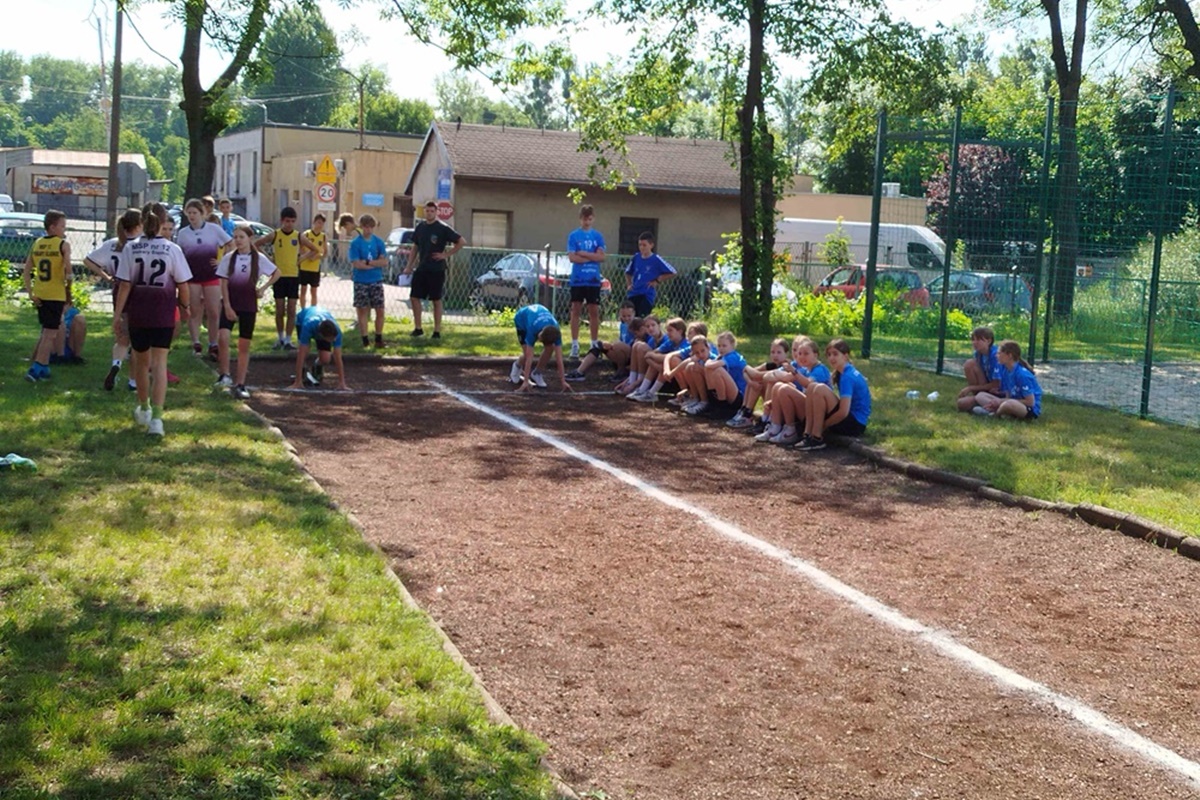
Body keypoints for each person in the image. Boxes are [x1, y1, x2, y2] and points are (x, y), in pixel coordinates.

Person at [113, 204, 192, 437]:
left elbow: (125, 284)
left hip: (139, 313)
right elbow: (183, 284)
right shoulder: (171, 248)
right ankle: (157, 419)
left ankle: (145, 407)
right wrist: (185, 308)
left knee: (140, 362)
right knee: (160, 364)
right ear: (161, 224)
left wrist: (117, 315)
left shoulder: (131, 247)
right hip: (163, 313)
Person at [216, 225, 280, 399]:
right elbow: (223, 283)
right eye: (235, 237)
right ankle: (224, 374)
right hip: (231, 303)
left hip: (248, 305)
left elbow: (276, 273)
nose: (237, 240)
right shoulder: (229, 258)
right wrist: (227, 306)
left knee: (243, 345)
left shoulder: (258, 258)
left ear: (249, 239)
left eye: (241, 237)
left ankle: (241, 383)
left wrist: (263, 288)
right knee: (223, 337)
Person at [83, 208, 143, 390]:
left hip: (118, 289)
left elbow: (88, 260)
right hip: (138, 290)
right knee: (138, 338)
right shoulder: (140, 245)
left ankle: (116, 364)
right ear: (140, 225)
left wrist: (105, 275)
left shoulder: (112, 244)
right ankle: (133, 380)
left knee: (122, 336)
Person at [177, 197, 232, 361]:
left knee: (214, 311)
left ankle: (213, 343)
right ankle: (196, 342)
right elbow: (179, 254)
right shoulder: (183, 233)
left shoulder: (214, 229)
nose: (192, 216)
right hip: (192, 277)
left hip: (211, 275)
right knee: (195, 310)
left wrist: (223, 261)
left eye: (195, 213)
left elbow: (230, 244)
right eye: (189, 213)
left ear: (203, 214)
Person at [22, 210, 72, 382]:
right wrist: (69, 289)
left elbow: (26, 271)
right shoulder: (62, 244)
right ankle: (36, 367)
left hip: (40, 293)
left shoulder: (37, 243)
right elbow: (68, 272)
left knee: (49, 329)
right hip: (55, 294)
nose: (64, 230)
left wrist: (30, 292)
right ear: (53, 227)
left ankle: (44, 367)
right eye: (62, 226)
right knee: (50, 333)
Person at [755, 336, 833, 445]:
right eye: (799, 353)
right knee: (778, 386)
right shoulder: (806, 369)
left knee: (784, 388)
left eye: (806, 354)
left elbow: (809, 385)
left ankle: (791, 430)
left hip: (817, 414)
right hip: (808, 409)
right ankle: (775, 426)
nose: (801, 357)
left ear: (815, 355)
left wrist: (794, 372)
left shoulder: (819, 369)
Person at [258, 206, 316, 350]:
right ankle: (280, 338)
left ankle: (289, 340)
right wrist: (269, 258)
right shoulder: (275, 235)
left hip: (293, 275)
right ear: (281, 221)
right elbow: (256, 244)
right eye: (286, 221)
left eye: (292, 221)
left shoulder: (298, 236)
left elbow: (314, 249)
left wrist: (300, 259)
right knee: (279, 309)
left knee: (291, 309)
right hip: (278, 275)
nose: (289, 224)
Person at [797, 338, 871, 451]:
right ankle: (808, 433)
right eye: (829, 355)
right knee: (812, 386)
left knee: (820, 388)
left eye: (835, 354)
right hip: (852, 420)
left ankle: (816, 436)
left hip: (855, 425)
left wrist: (825, 425)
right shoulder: (844, 372)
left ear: (845, 356)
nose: (831, 358)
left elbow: (843, 412)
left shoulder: (847, 376)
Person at [405, 200, 465, 339]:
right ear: (424, 211)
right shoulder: (420, 227)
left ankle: (436, 331)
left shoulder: (443, 228)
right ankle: (418, 328)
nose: (429, 213)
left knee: (436, 300)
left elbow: (461, 241)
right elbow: (415, 247)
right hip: (422, 267)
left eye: (432, 211)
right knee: (414, 297)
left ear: (436, 212)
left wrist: (446, 254)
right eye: (427, 210)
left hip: (437, 269)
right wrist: (409, 265)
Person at [566, 204, 606, 359]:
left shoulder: (598, 236)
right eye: (584, 219)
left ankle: (594, 343)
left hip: (593, 279)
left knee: (593, 311)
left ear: (593, 219)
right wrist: (591, 255)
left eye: (589, 219)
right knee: (575, 310)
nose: (587, 222)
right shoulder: (574, 236)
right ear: (580, 219)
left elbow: (601, 257)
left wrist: (583, 253)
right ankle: (575, 344)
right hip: (578, 279)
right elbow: (572, 257)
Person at [972, 340, 1043, 420]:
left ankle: (994, 414)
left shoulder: (1022, 374)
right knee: (980, 395)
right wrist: (1000, 396)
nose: (996, 355)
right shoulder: (1005, 370)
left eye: (999, 353)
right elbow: (1009, 393)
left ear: (1009, 355)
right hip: (1010, 401)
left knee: (1008, 404)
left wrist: (1001, 401)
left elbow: (1030, 402)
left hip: (1027, 408)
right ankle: (1004, 413)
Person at [727, 337, 789, 429]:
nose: (775, 355)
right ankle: (744, 410)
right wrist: (750, 381)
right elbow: (745, 373)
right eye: (773, 352)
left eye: (779, 352)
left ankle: (748, 414)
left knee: (758, 380)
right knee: (754, 381)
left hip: (781, 405)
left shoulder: (786, 367)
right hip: (769, 401)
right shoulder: (771, 365)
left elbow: (756, 374)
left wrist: (747, 367)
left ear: (786, 354)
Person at [565, 301, 637, 381]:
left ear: (634, 314)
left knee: (617, 345)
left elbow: (639, 341)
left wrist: (616, 344)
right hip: (623, 352)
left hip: (632, 355)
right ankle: (579, 371)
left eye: (629, 316)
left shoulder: (637, 324)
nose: (626, 318)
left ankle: (622, 371)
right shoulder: (622, 325)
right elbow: (621, 339)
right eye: (624, 316)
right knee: (599, 345)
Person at [509, 303, 570, 392]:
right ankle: (517, 366)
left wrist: (563, 381)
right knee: (526, 354)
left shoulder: (556, 332)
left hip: (537, 316)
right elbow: (530, 357)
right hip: (522, 320)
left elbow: (559, 359)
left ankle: (537, 373)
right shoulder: (532, 329)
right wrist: (525, 382)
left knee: (550, 349)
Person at [349, 213, 389, 347]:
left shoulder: (379, 242)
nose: (369, 230)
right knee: (363, 311)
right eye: (366, 227)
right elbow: (357, 264)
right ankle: (365, 340)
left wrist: (367, 262)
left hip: (376, 280)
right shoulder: (356, 243)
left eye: (371, 227)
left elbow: (384, 262)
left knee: (380, 310)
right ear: (361, 227)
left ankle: (378, 338)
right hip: (361, 281)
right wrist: (374, 263)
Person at [289, 305, 350, 391]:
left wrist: (342, 382)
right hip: (302, 320)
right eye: (331, 340)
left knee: (325, 359)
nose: (334, 340)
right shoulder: (307, 326)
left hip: (321, 325)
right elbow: (301, 354)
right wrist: (297, 382)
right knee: (305, 352)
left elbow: (338, 357)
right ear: (322, 336)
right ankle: (301, 374)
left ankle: (316, 366)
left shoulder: (336, 332)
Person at [624, 231, 675, 317]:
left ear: (651, 245)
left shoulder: (656, 259)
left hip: (646, 294)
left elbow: (672, 272)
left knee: (642, 318)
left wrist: (657, 280)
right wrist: (629, 284)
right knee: (630, 317)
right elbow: (628, 272)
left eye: (644, 245)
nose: (642, 247)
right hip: (634, 293)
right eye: (640, 245)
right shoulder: (636, 257)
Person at [957, 326, 1003, 412]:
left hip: (1000, 392)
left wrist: (970, 388)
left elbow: (996, 385)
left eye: (978, 340)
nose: (974, 343)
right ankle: (980, 400)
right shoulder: (978, 354)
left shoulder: (995, 356)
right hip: (987, 391)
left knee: (963, 403)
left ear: (989, 341)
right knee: (969, 364)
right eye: (973, 340)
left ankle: (988, 406)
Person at [616, 315, 662, 395]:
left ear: (659, 325)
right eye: (648, 326)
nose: (650, 328)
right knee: (636, 344)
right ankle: (632, 379)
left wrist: (635, 384)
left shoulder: (666, 340)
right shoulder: (651, 340)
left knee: (640, 346)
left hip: (662, 368)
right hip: (654, 367)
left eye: (653, 325)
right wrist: (626, 381)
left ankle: (639, 383)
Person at [299, 213, 328, 309]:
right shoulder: (306, 234)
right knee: (303, 289)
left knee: (314, 291)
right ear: (314, 222)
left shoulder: (323, 236)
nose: (319, 225)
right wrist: (306, 255)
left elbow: (325, 253)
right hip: (304, 266)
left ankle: (313, 310)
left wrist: (316, 257)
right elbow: (300, 248)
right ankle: (303, 310)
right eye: (318, 222)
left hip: (315, 268)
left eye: (322, 223)